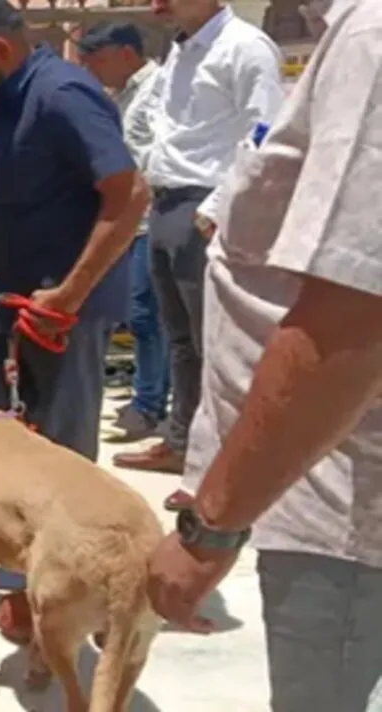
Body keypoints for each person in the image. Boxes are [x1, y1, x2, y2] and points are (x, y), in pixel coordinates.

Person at [145, 1, 382, 710]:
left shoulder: (371, 36)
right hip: (312, 481)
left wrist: (209, 530)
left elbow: (350, 322)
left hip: (343, 511)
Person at [0, 0, 149, 640]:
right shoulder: (3, 101)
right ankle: (20, 581)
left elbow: (129, 196)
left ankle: (78, 594)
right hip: (9, 306)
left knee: (61, 460)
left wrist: (71, 294)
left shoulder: (62, 95)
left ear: (0, 49)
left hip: (57, 318)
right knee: (10, 457)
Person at [113, 0, 284, 483]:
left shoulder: (245, 48)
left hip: (206, 206)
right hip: (167, 203)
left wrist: (218, 205)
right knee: (181, 339)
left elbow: (266, 130)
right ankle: (184, 443)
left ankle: (228, 463)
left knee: (217, 343)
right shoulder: (180, 51)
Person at [79, 23, 170, 441]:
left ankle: (149, 403)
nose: (94, 70)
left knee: (145, 315)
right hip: (130, 221)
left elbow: (156, 152)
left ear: (127, 53)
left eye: (99, 60)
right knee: (140, 314)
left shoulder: (157, 89)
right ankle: (150, 396)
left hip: (149, 217)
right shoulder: (121, 95)